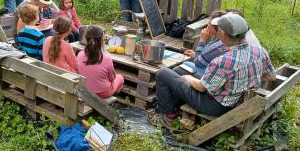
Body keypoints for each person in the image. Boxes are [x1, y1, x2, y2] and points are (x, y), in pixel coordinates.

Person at [148, 14, 276, 129]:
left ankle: (168, 117)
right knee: (178, 70)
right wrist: (246, 79)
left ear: (224, 35)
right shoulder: (259, 51)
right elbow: (271, 76)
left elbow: (202, 87)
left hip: (214, 105)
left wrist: (187, 78)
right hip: (233, 98)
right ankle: (172, 106)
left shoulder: (223, 61)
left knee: (163, 73)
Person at [175, 10, 227, 78]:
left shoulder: (217, 45)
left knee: (182, 66)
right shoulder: (220, 39)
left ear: (215, 26)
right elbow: (207, 57)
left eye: (209, 23)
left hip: (208, 76)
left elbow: (198, 63)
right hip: (213, 70)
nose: (207, 25)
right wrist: (195, 55)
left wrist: (202, 41)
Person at [77, 26, 124, 99]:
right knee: (120, 77)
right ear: (102, 40)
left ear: (86, 40)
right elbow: (112, 78)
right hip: (103, 94)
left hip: (85, 91)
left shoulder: (80, 54)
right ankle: (112, 100)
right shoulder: (107, 59)